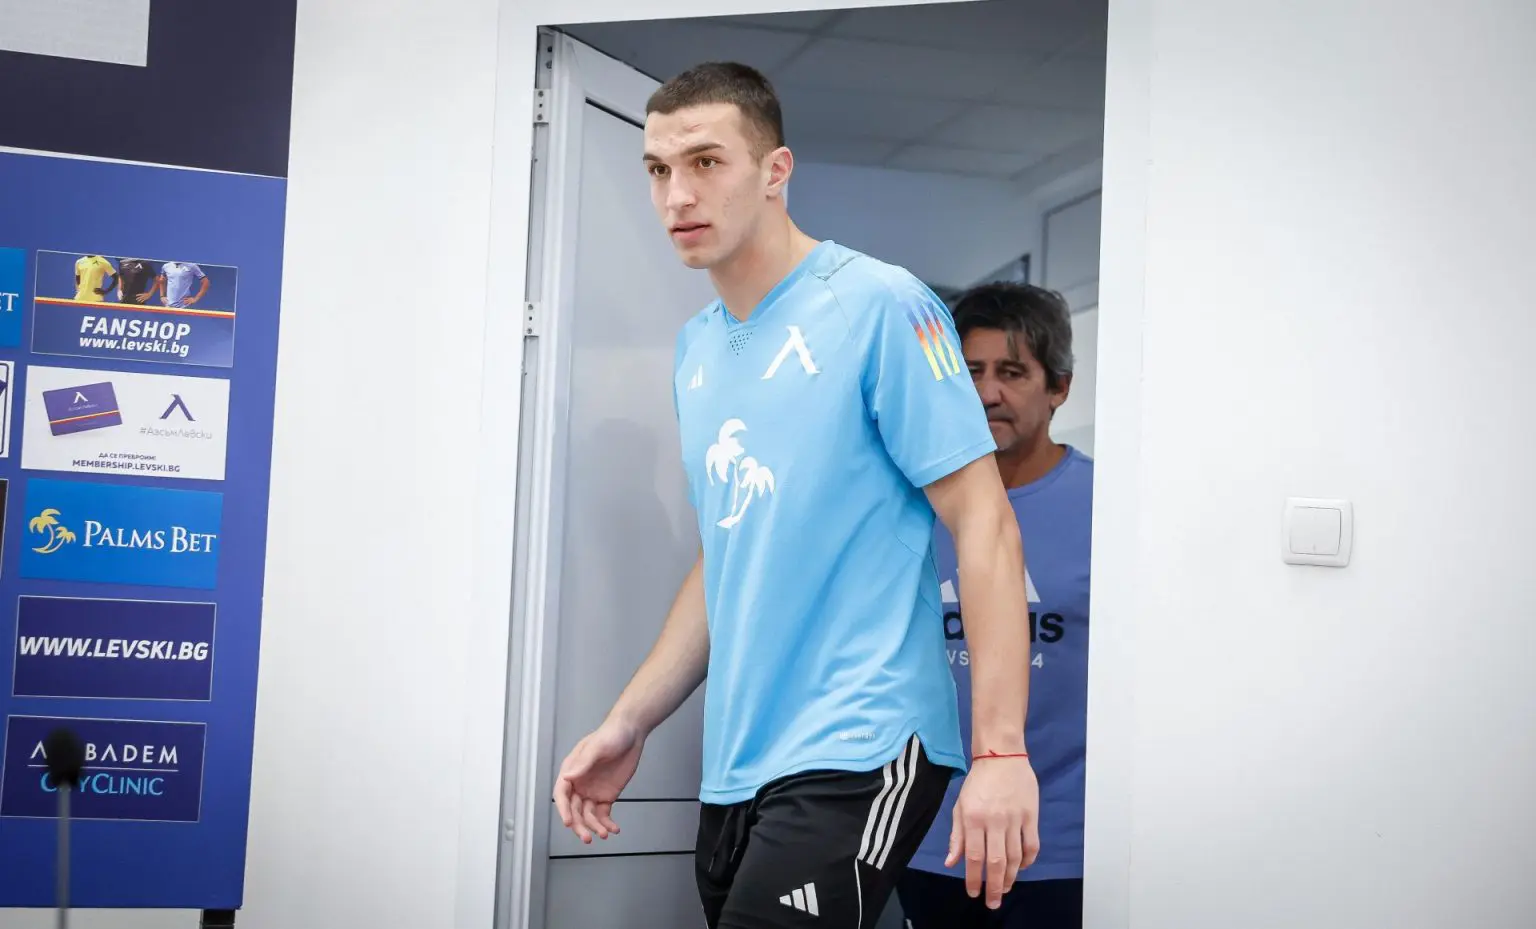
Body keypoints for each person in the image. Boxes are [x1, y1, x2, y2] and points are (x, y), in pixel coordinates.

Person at [551, 61, 1042, 929]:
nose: (677, 195)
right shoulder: (697, 349)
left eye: (706, 162)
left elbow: (985, 523)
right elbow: (727, 554)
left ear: (775, 171)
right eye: (659, 169)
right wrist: (629, 721)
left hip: (863, 739)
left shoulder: (881, 305)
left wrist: (1001, 752)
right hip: (739, 764)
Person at [897, 282, 1093, 929]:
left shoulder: (1108, 506)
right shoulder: (909, 505)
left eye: (1011, 372)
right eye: (971, 371)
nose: (986, 393)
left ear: (1058, 386)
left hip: (1060, 839)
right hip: (931, 834)